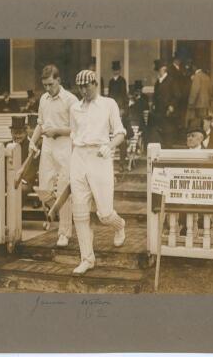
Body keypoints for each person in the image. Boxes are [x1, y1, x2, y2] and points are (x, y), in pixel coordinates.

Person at [69, 69, 127, 275]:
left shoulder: (108, 104)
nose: (84, 90)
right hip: (78, 158)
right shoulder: (74, 107)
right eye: (80, 87)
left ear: (95, 84)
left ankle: (119, 225)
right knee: (80, 212)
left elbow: (120, 132)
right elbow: (73, 135)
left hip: (100, 157)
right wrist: (72, 162)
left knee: (104, 214)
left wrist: (109, 146)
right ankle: (87, 258)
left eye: (87, 86)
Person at [29, 64, 78, 247]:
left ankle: (64, 232)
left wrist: (57, 130)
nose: (48, 88)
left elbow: (76, 129)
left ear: (58, 80)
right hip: (48, 147)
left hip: (65, 147)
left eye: (51, 84)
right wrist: (32, 142)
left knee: (63, 191)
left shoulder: (71, 100)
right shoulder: (44, 99)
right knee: (44, 191)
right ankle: (60, 218)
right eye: (45, 85)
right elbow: (40, 124)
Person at [5, 116, 39, 204]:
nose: (17, 136)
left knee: (19, 188)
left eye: (20, 133)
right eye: (15, 133)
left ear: (25, 133)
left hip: (25, 181)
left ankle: (13, 215)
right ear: (11, 132)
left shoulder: (31, 147)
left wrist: (21, 180)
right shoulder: (5, 146)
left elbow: (33, 167)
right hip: (7, 180)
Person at [151, 59, 182, 148]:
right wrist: (153, 104)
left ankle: (168, 151)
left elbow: (177, 95)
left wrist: (171, 106)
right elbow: (156, 96)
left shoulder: (171, 81)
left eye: (159, 70)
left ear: (164, 69)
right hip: (159, 112)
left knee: (168, 133)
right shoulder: (158, 82)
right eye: (157, 70)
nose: (158, 72)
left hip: (168, 112)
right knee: (160, 133)